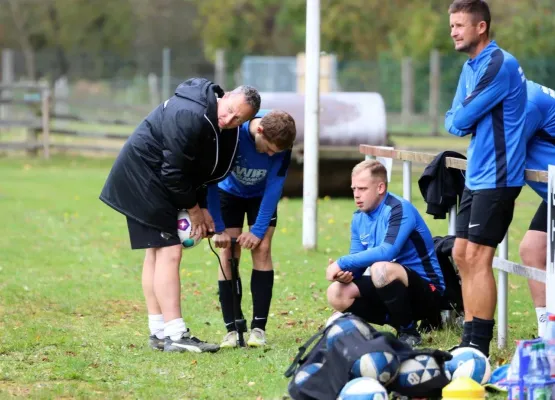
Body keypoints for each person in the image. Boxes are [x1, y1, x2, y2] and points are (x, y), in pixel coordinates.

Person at [99, 78, 260, 353]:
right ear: (227, 95)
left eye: (238, 119)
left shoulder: (215, 119)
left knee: (156, 253)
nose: (230, 119)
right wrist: (195, 212)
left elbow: (198, 168)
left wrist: (204, 207)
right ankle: (175, 334)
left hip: (155, 180)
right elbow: (173, 171)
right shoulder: (190, 113)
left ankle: (159, 332)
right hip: (144, 179)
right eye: (230, 109)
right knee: (170, 251)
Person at [445, 0, 527, 357]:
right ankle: (468, 338)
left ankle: (478, 346)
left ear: (481, 27)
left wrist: (462, 115)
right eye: (451, 26)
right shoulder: (470, 66)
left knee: (478, 256)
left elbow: (460, 122)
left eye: (460, 25)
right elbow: (452, 119)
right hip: (476, 175)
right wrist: (461, 115)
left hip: (499, 175)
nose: (453, 32)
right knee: (462, 254)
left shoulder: (498, 64)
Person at [325, 160, 445, 347]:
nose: (356, 195)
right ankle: (398, 322)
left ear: (380, 187)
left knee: (380, 268)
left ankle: (409, 332)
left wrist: (341, 262)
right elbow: (357, 265)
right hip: (388, 287)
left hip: (428, 291)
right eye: (354, 188)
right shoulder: (358, 218)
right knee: (336, 293)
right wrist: (346, 275)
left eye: (362, 189)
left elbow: (387, 251)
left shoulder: (399, 209)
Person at [206, 109, 297, 348]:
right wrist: (217, 226)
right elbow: (211, 180)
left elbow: (274, 187)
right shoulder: (232, 134)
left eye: (274, 153)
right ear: (259, 130)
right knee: (228, 251)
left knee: (263, 248)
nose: (269, 154)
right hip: (228, 193)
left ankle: (258, 328)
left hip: (261, 197)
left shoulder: (282, 146)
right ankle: (232, 329)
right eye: (268, 148)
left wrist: (257, 231)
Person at [519, 80, 555, 338]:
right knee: (532, 249)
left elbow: (505, 148)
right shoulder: (518, 95)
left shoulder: (529, 102)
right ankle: (546, 331)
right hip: (551, 192)